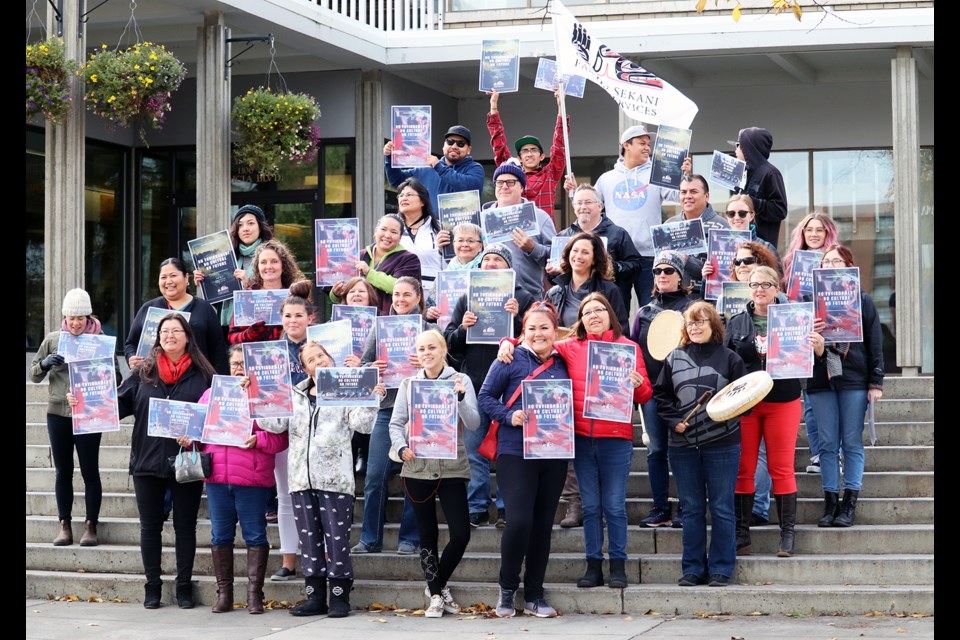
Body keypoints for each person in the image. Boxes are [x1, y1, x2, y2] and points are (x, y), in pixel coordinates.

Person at [497, 293, 652, 590]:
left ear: (610, 314)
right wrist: (507, 341)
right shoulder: (570, 347)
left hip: (616, 439)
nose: (594, 315)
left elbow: (644, 397)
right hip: (581, 439)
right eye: (588, 311)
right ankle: (593, 565)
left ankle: (618, 565)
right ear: (581, 318)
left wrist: (640, 385)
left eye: (599, 310)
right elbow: (536, 337)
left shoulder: (629, 348)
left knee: (615, 506)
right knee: (591, 506)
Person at [259, 341, 384, 618]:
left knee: (336, 541)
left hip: (335, 480)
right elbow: (274, 424)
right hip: (301, 480)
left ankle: (340, 596)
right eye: (312, 359)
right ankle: (314, 597)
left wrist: (372, 397)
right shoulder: (295, 395)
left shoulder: (345, 389)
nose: (319, 361)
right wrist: (254, 397)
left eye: (322, 355)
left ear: (331, 357)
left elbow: (363, 425)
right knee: (309, 542)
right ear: (305, 368)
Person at [112, 313, 216, 608]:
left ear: (187, 337)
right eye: (164, 331)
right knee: (149, 527)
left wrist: (195, 435)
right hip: (147, 461)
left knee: (185, 527)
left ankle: (183, 585)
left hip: (186, 461)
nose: (169, 336)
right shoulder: (143, 371)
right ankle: (152, 586)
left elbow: (215, 419)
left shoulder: (203, 374)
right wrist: (82, 402)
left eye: (176, 331)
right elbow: (117, 406)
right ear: (157, 338)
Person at [477, 301, 569, 618]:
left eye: (544, 327)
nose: (538, 333)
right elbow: (485, 397)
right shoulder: (510, 358)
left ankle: (534, 595)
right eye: (531, 328)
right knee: (519, 522)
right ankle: (507, 589)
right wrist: (508, 414)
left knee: (543, 525)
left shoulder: (565, 360)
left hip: (553, 453)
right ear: (523, 331)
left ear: (555, 331)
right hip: (515, 451)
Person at [653, 301, 747, 588]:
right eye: (690, 323)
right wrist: (673, 421)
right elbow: (662, 396)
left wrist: (727, 412)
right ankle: (693, 568)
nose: (694, 327)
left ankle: (721, 568)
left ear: (713, 325)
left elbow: (745, 400)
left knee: (721, 507)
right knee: (691, 508)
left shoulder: (730, 358)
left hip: (722, 443)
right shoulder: (674, 357)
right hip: (682, 445)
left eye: (700, 322)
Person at [189, 344, 289, 614]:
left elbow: (281, 438)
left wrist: (258, 439)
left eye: (244, 365)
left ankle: (254, 596)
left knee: (255, 535)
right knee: (220, 535)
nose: (239, 369)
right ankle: (225, 595)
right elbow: (197, 431)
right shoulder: (212, 394)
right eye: (235, 364)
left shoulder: (268, 397)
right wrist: (188, 438)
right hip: (218, 477)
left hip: (252, 478)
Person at [388, 330, 480, 618]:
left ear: (443, 350)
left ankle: (435, 584)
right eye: (421, 348)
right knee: (426, 534)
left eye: (432, 347)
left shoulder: (460, 380)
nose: (427, 353)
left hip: (452, 466)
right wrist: (401, 447)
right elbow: (395, 423)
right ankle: (437, 595)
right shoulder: (408, 384)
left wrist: (462, 398)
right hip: (416, 467)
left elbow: (475, 423)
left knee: (461, 534)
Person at [443, 244, 535, 528]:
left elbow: (537, 340)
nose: (491, 264)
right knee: (473, 449)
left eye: (498, 259)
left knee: (508, 451)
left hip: (510, 386)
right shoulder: (466, 299)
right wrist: (463, 329)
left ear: (509, 267)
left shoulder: (524, 297)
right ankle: (477, 506)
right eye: (487, 260)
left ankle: (507, 508)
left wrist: (518, 318)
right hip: (473, 383)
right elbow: (449, 342)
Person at [352, 276, 436, 555]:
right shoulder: (380, 328)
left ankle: (410, 539)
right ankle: (369, 539)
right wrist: (372, 369)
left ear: (418, 297)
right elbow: (363, 366)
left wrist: (424, 362)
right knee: (375, 475)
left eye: (406, 295)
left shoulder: (428, 329)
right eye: (396, 294)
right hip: (387, 409)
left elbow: (444, 368)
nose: (400, 300)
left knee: (413, 476)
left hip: (418, 412)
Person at [724, 267, 804, 557]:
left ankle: (787, 535)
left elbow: (808, 358)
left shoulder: (794, 319)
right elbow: (727, 362)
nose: (760, 289)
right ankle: (741, 535)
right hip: (746, 404)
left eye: (766, 284)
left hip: (783, 401)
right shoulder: (736, 322)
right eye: (754, 284)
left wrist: (816, 348)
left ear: (777, 287)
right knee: (744, 469)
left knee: (780, 468)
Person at [807, 245, 884, 529]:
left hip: (853, 377)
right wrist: (811, 336)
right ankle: (830, 502)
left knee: (851, 442)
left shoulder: (862, 301)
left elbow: (876, 344)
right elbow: (795, 347)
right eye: (825, 262)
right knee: (827, 444)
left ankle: (849, 502)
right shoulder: (810, 301)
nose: (829, 266)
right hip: (820, 379)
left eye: (835, 261)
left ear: (849, 265)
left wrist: (876, 382)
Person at [30, 288, 110, 547]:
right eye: (71, 317)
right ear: (65, 316)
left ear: (89, 317)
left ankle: (91, 525)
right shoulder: (53, 339)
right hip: (58, 413)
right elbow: (34, 374)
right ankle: (64, 524)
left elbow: (113, 378)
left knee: (90, 471)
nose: (76, 323)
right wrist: (44, 364)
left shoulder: (100, 340)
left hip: (89, 414)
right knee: (63, 471)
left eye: (81, 317)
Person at [583, 124, 691, 308]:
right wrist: (573, 194)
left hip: (650, 256)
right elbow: (590, 210)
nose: (647, 148)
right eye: (642, 143)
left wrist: (685, 177)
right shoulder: (606, 178)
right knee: (616, 311)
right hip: (616, 257)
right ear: (626, 145)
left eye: (649, 144)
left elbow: (678, 196)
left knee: (652, 311)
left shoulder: (658, 173)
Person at [629, 251, 695, 529]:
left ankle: (685, 507)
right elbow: (633, 350)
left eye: (669, 270)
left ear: (681, 276)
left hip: (686, 392)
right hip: (653, 393)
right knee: (656, 450)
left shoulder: (695, 307)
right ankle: (660, 508)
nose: (662, 275)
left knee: (683, 449)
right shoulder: (644, 313)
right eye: (657, 271)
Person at [780, 212, 840, 474]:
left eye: (820, 230)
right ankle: (818, 454)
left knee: (831, 396)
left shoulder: (837, 260)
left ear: (828, 234)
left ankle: (835, 455)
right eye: (809, 230)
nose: (814, 235)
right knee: (810, 401)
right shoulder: (791, 263)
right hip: (801, 339)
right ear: (801, 234)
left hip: (833, 341)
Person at [267, 294, 315, 582]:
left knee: (319, 498)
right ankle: (288, 561)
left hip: (319, 430)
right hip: (285, 429)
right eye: (288, 316)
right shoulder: (270, 352)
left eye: (299, 315)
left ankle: (322, 558)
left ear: (310, 318)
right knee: (285, 497)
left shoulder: (323, 347)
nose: (293, 321)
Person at [124, 257, 228, 374]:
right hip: (155, 380)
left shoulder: (204, 309)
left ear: (186, 277)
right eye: (163, 277)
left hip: (197, 380)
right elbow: (131, 344)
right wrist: (131, 357)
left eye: (173, 276)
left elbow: (218, 352)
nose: (168, 281)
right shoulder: (148, 308)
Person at [548, 184, 641, 310]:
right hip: (572, 308)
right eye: (579, 203)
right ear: (574, 207)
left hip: (610, 305)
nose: (583, 207)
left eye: (588, 202)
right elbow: (554, 280)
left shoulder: (617, 234)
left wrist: (611, 267)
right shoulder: (563, 237)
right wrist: (553, 272)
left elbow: (636, 266)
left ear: (600, 206)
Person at [487, 89, 569, 219]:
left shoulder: (550, 174)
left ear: (542, 157)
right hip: (515, 231)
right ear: (519, 158)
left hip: (542, 234)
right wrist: (493, 106)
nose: (529, 154)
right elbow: (499, 145)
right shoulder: (511, 173)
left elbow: (560, 145)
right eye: (525, 151)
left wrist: (561, 106)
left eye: (534, 150)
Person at [482, 163, 557, 298]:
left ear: (522, 186)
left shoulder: (540, 217)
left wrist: (533, 248)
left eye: (510, 182)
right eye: (499, 183)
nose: (504, 186)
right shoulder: (482, 219)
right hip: (491, 296)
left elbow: (557, 257)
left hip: (529, 298)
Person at [193, 204, 275, 328]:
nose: (245, 228)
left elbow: (278, 294)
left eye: (251, 223)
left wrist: (249, 284)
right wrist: (206, 283)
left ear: (260, 227)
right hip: (229, 328)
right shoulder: (228, 257)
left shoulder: (272, 256)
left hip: (261, 326)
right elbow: (218, 302)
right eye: (240, 225)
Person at [330, 213, 421, 316]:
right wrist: (335, 294)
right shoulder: (358, 256)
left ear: (400, 238)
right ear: (375, 231)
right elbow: (344, 292)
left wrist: (369, 273)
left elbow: (399, 287)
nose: (387, 235)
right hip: (356, 320)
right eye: (383, 229)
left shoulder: (409, 259)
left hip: (390, 321)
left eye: (394, 232)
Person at [384, 124, 485, 216]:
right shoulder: (426, 168)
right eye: (450, 142)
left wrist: (439, 168)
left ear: (469, 150)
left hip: (462, 233)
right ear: (443, 146)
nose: (454, 146)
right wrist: (390, 157)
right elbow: (397, 181)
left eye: (461, 144)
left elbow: (469, 188)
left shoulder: (475, 168)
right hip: (430, 231)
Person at [228, 239, 311, 345]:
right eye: (263, 262)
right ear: (257, 268)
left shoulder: (296, 294)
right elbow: (232, 337)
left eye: (274, 261)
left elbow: (310, 329)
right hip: (255, 358)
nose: (268, 267)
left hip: (292, 357)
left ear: (283, 266)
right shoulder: (247, 296)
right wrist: (250, 334)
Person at [546, 232, 628, 330]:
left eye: (585, 252)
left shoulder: (610, 291)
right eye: (575, 250)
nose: (578, 256)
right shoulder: (554, 293)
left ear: (594, 259)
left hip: (597, 344)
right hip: (563, 344)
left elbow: (622, 330)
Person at [663, 174, 728, 297]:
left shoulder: (722, 227)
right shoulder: (669, 225)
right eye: (683, 192)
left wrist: (687, 260)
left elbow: (723, 273)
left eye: (693, 191)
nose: (687, 196)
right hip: (674, 299)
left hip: (707, 301)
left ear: (706, 196)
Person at [730, 127, 788, 247]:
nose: (735, 149)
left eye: (738, 145)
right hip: (739, 244)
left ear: (748, 148)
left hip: (762, 248)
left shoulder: (771, 173)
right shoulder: (742, 173)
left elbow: (780, 210)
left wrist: (752, 202)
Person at [394, 177, 444, 287]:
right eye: (401, 195)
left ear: (422, 201)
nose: (404, 198)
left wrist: (442, 250)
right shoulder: (392, 229)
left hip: (433, 293)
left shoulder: (440, 228)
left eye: (409, 195)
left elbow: (449, 265)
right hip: (400, 293)